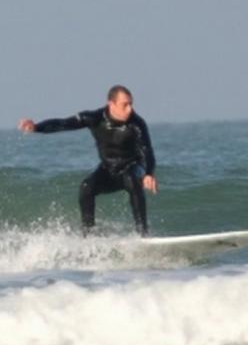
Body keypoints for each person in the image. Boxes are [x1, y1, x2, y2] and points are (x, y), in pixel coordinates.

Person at [18, 85, 158, 237]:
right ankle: (88, 235)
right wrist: (36, 127)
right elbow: (63, 124)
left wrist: (148, 173)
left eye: (131, 104)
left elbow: (147, 151)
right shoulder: (94, 118)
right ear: (111, 104)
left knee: (131, 179)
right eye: (125, 105)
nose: (130, 109)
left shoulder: (137, 124)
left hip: (132, 167)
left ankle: (143, 233)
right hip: (108, 169)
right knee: (86, 187)